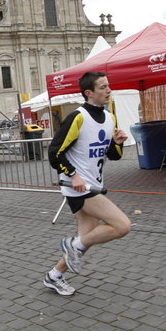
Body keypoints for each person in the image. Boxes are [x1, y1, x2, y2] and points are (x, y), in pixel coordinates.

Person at [44, 71, 131, 296]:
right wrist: (73, 175)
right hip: (79, 188)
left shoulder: (110, 116)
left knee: (86, 239)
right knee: (122, 226)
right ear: (88, 93)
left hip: (94, 184)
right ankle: (71, 245)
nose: (108, 90)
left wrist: (117, 143)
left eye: (108, 86)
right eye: (102, 87)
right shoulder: (78, 117)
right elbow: (54, 153)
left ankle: (54, 276)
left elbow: (113, 156)